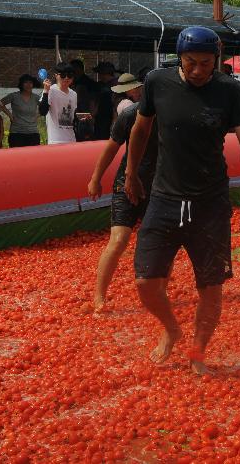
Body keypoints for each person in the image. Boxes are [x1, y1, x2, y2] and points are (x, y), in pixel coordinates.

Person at [124, 26, 240, 374]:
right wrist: (130, 174)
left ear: (216, 60)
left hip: (210, 202)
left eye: (206, 63)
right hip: (164, 197)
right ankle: (171, 329)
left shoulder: (229, 90)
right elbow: (140, 130)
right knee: (145, 281)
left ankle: (198, 351)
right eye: (191, 63)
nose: (199, 70)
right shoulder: (158, 82)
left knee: (211, 287)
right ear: (180, 59)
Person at [88, 73, 158, 313]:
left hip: (158, 187)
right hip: (126, 183)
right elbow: (111, 148)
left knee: (160, 243)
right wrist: (96, 178)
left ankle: (157, 293)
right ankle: (99, 296)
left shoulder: (173, 116)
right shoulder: (129, 115)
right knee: (118, 240)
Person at [39, 63, 78, 145]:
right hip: (56, 141)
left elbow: (72, 117)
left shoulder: (74, 94)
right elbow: (42, 111)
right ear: (56, 76)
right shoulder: (51, 90)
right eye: (63, 75)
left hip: (72, 139)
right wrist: (46, 91)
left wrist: (82, 119)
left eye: (70, 75)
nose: (67, 78)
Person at [1, 74, 41, 147]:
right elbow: (0, 103)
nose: (28, 85)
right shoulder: (14, 96)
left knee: (33, 157)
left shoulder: (36, 97)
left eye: (30, 83)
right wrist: (10, 115)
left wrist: (37, 116)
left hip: (33, 133)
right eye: (26, 82)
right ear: (21, 84)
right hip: (17, 133)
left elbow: (45, 106)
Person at [92, 61, 120, 140]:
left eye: (100, 73)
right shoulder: (99, 85)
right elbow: (96, 101)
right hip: (100, 118)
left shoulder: (116, 84)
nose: (99, 75)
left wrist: (114, 120)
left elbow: (116, 104)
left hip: (110, 118)